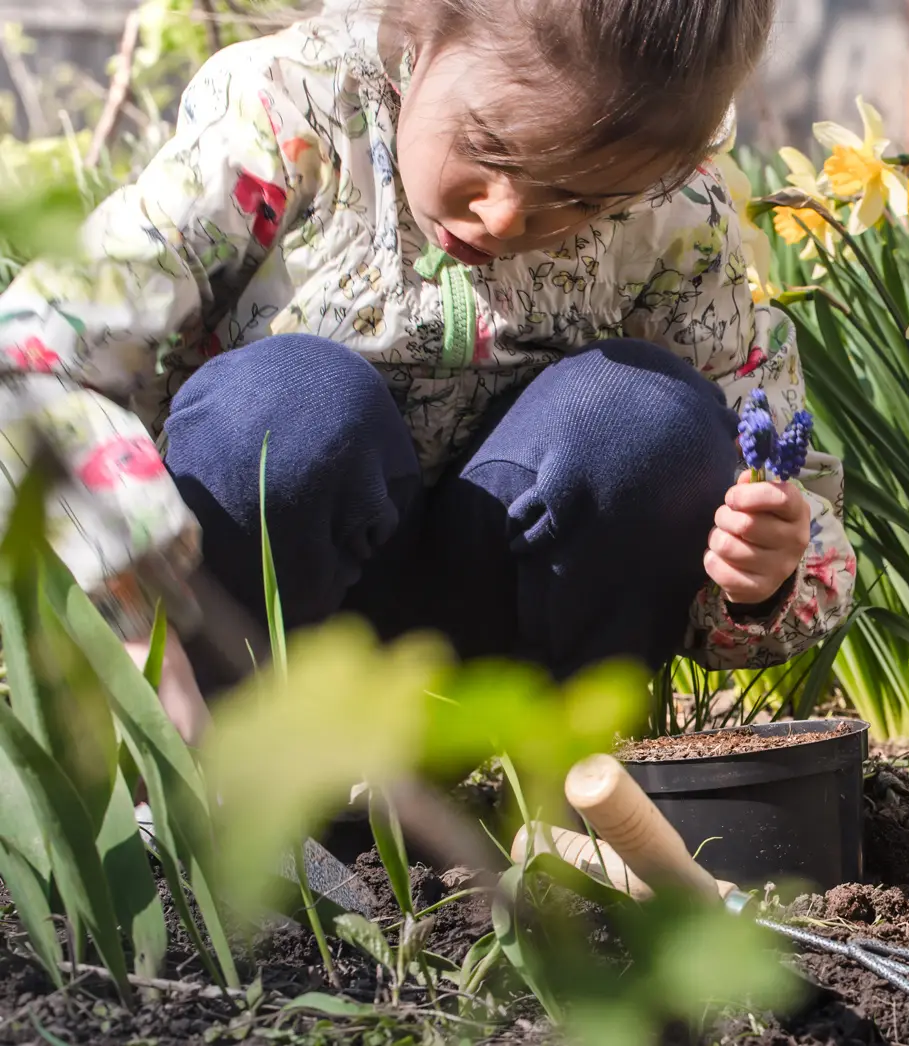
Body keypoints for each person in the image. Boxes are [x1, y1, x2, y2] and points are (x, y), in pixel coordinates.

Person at [0, 0, 856, 743]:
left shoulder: (673, 219)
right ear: (428, 25)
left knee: (646, 419)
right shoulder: (285, 113)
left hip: (491, 661)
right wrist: (128, 598)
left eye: (583, 199)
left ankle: (574, 811)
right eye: (489, 147)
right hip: (251, 654)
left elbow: (787, 484)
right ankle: (222, 802)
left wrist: (763, 572)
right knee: (292, 407)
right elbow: (34, 359)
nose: (507, 214)